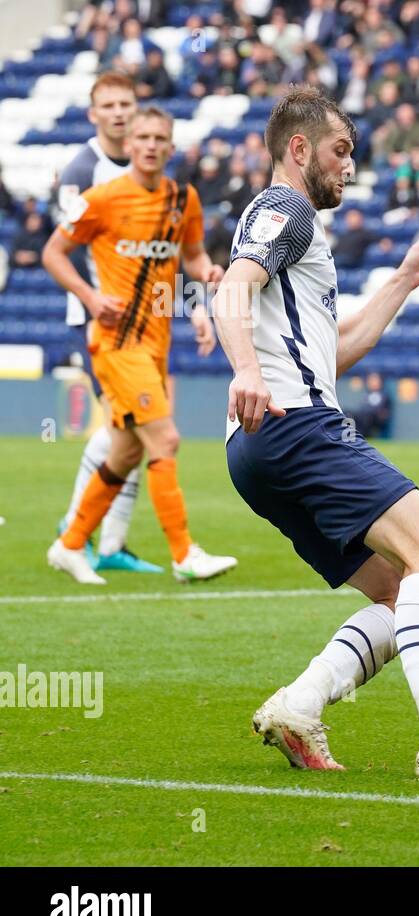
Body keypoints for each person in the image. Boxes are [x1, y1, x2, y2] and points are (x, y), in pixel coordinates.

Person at [213, 88, 419, 781]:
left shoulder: (298, 231)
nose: (349, 167)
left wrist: (404, 281)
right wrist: (245, 367)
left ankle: (299, 705)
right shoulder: (285, 207)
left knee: (398, 595)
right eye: (340, 151)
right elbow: (231, 289)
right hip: (295, 427)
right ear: (298, 149)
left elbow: (333, 349)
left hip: (257, 449)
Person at [43, 105, 235, 586]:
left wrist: (203, 285)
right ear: (129, 145)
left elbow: (189, 256)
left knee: (125, 454)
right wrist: (88, 296)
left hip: (156, 343)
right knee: (165, 439)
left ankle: (70, 545)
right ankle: (184, 554)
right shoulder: (101, 198)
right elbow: (52, 253)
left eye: (160, 138)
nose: (151, 145)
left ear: (171, 147)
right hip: (115, 344)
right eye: (143, 137)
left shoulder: (182, 199)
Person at [53, 71, 159, 574]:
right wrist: (92, 299)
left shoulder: (148, 165)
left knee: (136, 431)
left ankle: (110, 541)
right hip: (98, 321)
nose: (119, 112)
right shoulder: (81, 169)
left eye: (126, 103)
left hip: (147, 324)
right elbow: (62, 248)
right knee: (129, 427)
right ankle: (75, 529)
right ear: (94, 113)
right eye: (109, 105)